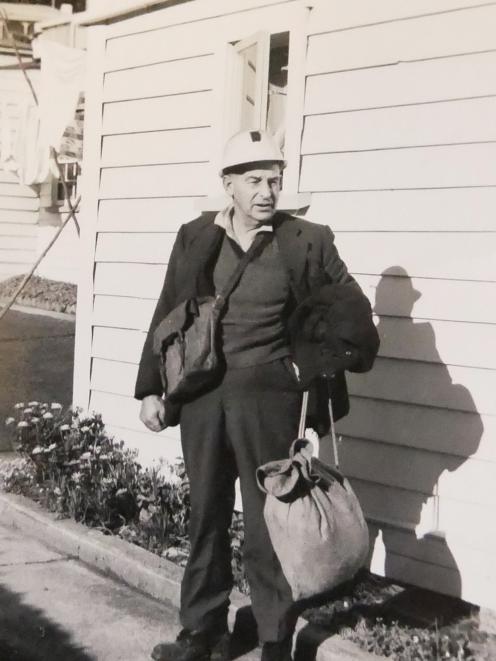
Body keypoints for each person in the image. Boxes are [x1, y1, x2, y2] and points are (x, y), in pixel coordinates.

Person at [135, 130, 379, 661]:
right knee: (205, 515)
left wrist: (304, 370)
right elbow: (168, 312)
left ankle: (273, 638)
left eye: (275, 178)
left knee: (271, 522)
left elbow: (352, 311)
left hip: (269, 397)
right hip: (202, 396)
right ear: (228, 185)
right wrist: (153, 388)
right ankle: (203, 634)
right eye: (254, 180)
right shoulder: (195, 235)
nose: (267, 190)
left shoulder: (306, 239)